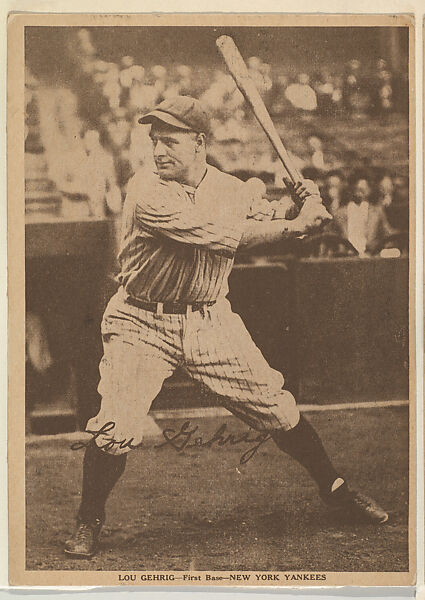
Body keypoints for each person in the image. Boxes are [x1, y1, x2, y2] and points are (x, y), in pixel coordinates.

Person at [64, 96, 388, 559]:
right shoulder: (146, 191)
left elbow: (266, 216)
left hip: (210, 319)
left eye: (170, 141)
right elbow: (225, 233)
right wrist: (297, 226)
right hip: (141, 321)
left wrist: (301, 205)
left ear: (199, 143)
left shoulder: (230, 188)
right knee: (117, 425)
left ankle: (336, 491)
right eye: (154, 141)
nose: (158, 151)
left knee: (277, 408)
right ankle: (88, 520)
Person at [329, 169, 396, 256]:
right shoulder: (339, 213)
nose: (359, 193)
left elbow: (388, 235)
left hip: (371, 258)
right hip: (346, 258)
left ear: (369, 190)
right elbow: (330, 239)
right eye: (357, 189)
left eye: (363, 189)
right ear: (351, 190)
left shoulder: (377, 212)